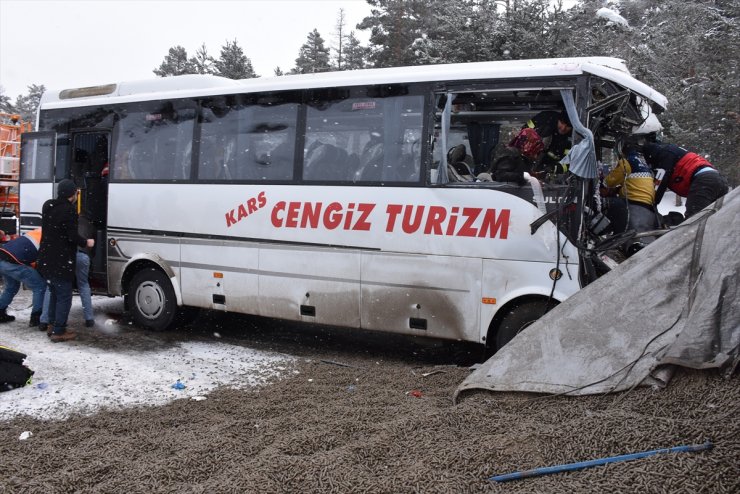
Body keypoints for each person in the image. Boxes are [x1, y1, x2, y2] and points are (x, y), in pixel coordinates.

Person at [36, 179, 94, 343]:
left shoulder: (48, 206)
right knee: (64, 296)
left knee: (54, 292)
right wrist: (86, 242)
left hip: (46, 258)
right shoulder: (69, 210)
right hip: (61, 260)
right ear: (73, 194)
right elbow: (71, 236)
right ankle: (59, 331)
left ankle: (51, 325)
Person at [642, 142, 730, 219]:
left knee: (694, 221)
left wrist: (648, 205)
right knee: (716, 219)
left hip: (704, 181)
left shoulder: (663, 156)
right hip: (718, 179)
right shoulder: (670, 150)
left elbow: (659, 185)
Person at [601, 144, 660, 252]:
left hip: (634, 202)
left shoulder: (626, 161)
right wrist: (619, 189)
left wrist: (603, 183)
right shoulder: (643, 163)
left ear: (621, 152)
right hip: (647, 203)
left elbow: (610, 181)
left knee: (604, 205)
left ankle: (604, 237)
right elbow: (634, 183)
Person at [0, 228, 46, 326]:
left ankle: (0, 312)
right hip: (14, 262)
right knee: (40, 286)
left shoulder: (39, 231)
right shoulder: (50, 238)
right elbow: (38, 262)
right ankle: (36, 317)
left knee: (11, 287)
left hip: (3, 257)